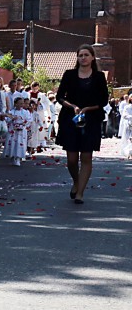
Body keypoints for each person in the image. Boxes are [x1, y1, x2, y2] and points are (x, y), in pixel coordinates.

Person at [55, 45, 109, 204]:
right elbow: (59, 96)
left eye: (86, 55)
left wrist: (87, 108)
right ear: (77, 58)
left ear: (93, 57)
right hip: (71, 118)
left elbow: (103, 100)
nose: (83, 58)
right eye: (80, 55)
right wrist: (73, 107)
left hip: (91, 119)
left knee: (86, 156)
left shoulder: (99, 77)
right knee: (71, 159)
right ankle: (76, 181)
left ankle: (80, 193)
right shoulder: (69, 75)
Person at [3, 95, 31, 167]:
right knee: (12, 143)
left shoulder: (26, 112)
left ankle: (18, 158)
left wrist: (23, 123)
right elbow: (7, 120)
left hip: (21, 130)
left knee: (20, 143)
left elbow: (29, 120)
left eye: (22, 103)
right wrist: (12, 119)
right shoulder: (11, 112)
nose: (22, 105)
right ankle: (12, 157)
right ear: (16, 104)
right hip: (13, 130)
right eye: (20, 103)